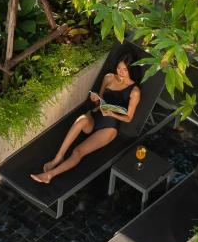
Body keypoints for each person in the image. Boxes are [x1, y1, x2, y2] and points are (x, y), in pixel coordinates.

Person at [30, 53, 142, 184]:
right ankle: (57, 158)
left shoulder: (134, 91)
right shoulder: (109, 78)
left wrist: (112, 114)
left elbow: (128, 117)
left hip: (109, 127)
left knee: (78, 151)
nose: (121, 72)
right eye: (119, 68)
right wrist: (95, 99)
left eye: (125, 70)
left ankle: (49, 175)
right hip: (96, 116)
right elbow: (99, 101)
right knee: (81, 120)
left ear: (131, 70)